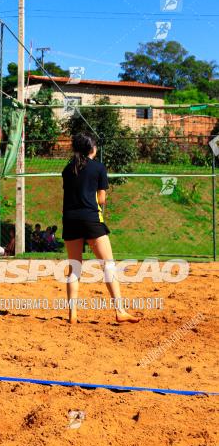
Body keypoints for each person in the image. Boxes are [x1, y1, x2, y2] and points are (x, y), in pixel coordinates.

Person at [61, 133, 140, 325]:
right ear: (92, 149)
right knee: (108, 265)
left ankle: (72, 314)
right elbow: (102, 199)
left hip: (70, 219)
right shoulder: (98, 168)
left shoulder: (67, 169)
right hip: (91, 219)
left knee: (75, 268)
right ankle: (120, 311)